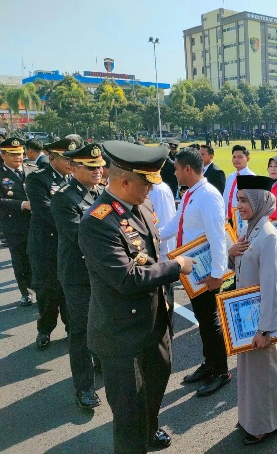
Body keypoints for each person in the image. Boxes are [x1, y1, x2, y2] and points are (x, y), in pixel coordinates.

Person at [79, 140, 195, 453]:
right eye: (146, 184)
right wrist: (176, 267)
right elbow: (127, 278)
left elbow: (150, 255)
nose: (150, 192)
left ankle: (151, 428)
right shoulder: (98, 222)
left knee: (154, 390)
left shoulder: (141, 206)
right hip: (122, 336)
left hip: (155, 324)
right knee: (129, 418)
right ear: (125, 181)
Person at [160, 148, 230, 398]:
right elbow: (174, 225)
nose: (175, 173)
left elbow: (218, 236)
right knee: (203, 319)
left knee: (211, 321)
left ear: (188, 169)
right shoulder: (191, 193)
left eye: (177, 168)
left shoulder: (209, 195)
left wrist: (217, 273)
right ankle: (209, 364)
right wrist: (151, 235)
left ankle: (221, 371)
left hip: (206, 271)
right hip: (192, 269)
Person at [227, 175, 277, 445]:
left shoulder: (268, 235)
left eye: (244, 200)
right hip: (246, 316)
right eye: (238, 200)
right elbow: (240, 268)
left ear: (259, 201)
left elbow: (271, 286)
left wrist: (265, 329)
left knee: (264, 370)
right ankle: (253, 418)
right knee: (251, 371)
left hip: (259, 318)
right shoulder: (250, 229)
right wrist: (232, 252)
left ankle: (265, 423)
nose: (239, 205)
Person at [51, 142, 105, 409]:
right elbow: (81, 237)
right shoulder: (64, 198)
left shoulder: (102, 193)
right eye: (90, 166)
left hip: (100, 272)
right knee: (81, 330)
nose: (98, 171)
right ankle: (84, 387)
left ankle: (99, 362)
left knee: (102, 323)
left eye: (99, 166)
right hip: (78, 275)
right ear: (73, 168)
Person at [26, 138, 73, 349]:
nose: (71, 162)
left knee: (68, 290)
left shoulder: (73, 179)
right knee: (47, 293)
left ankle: (72, 328)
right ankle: (44, 330)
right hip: (45, 247)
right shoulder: (38, 179)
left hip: (67, 246)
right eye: (66, 158)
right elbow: (45, 211)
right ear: (52, 158)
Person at [0, 138, 34, 306]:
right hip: (14, 225)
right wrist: (22, 204)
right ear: (3, 155)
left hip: (36, 223)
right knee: (20, 259)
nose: (18, 157)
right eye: (13, 154)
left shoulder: (32, 170)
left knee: (37, 257)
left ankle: (38, 286)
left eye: (20, 153)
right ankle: (25, 292)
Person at [148, 171, 177, 329]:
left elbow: (166, 227)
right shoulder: (152, 188)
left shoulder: (158, 190)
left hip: (161, 258)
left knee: (164, 309)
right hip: (153, 259)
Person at [223, 145, 256, 222]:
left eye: (240, 157)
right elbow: (225, 199)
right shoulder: (230, 177)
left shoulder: (251, 177)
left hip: (242, 221)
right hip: (228, 220)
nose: (236, 160)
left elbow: (253, 203)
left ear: (247, 158)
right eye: (234, 157)